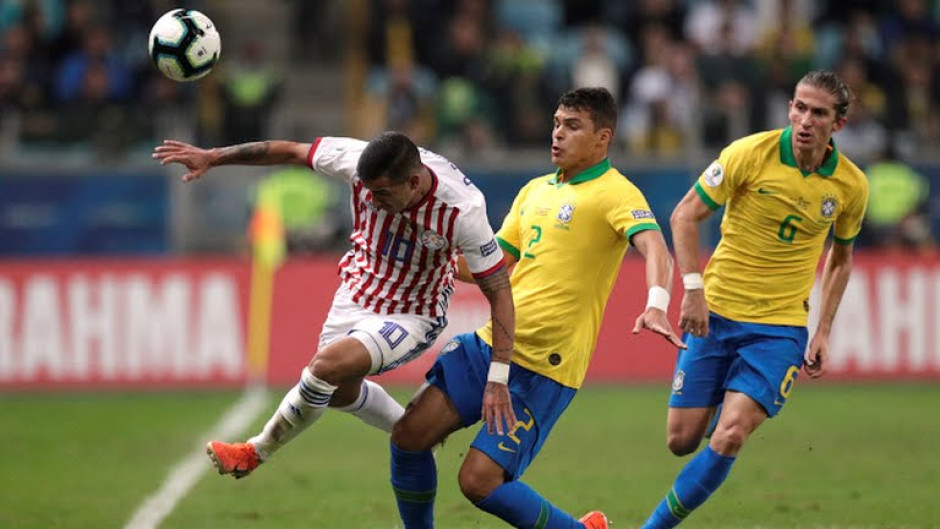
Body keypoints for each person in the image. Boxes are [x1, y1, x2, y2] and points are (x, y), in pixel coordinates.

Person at [388, 87, 686, 529]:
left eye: (572, 126)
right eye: (556, 123)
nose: (558, 134)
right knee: (409, 436)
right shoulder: (533, 191)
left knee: (479, 481)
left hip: (543, 368)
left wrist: (657, 303)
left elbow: (656, 246)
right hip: (492, 345)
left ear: (603, 138)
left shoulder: (616, 193)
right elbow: (496, 262)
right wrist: (437, 260)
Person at [152, 131, 516, 479]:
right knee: (340, 392)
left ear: (413, 184)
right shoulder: (355, 160)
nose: (372, 201)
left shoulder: (462, 209)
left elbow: (499, 291)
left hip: (412, 313)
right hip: (356, 293)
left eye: (383, 193)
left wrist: (498, 378)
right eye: (368, 191)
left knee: (323, 368)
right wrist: (214, 157)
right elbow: (292, 151)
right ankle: (419, 433)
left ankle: (254, 452)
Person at [640, 70, 869, 528]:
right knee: (681, 440)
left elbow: (840, 259)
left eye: (818, 112)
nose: (805, 119)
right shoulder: (749, 153)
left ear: (837, 125)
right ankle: (728, 397)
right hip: (716, 316)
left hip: (779, 330)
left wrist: (822, 329)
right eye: (799, 107)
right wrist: (693, 291)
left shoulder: (850, 186)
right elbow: (685, 215)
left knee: (730, 435)